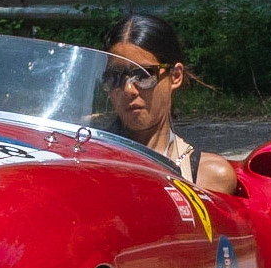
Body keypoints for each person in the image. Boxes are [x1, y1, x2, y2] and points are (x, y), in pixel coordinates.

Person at [101, 13, 238, 194]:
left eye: (143, 75)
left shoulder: (209, 177)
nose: (128, 90)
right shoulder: (85, 161)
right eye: (115, 76)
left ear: (175, 76)